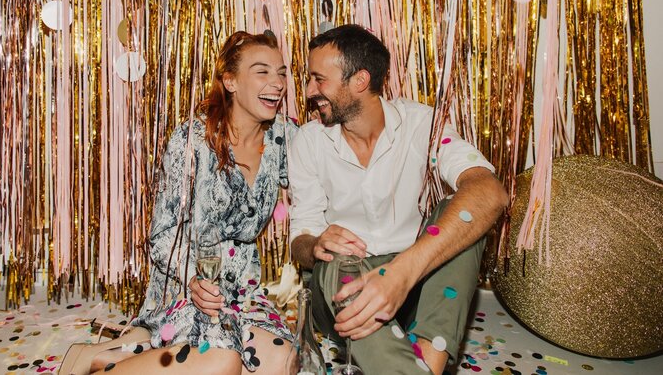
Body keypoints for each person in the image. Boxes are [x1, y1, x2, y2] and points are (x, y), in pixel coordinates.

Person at [60, 31, 297, 374]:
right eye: (262, 72)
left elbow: (329, 165)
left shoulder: (283, 138)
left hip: (243, 287)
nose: (277, 83)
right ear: (229, 81)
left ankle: (115, 355)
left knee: (283, 361)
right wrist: (194, 281)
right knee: (222, 362)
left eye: (282, 72)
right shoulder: (192, 140)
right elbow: (163, 234)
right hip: (185, 283)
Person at [289, 25, 508, 375]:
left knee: (463, 210)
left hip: (414, 291)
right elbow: (299, 240)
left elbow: (490, 192)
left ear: (359, 81)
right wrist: (315, 243)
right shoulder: (309, 142)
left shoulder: (422, 125)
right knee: (336, 260)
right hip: (340, 293)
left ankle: (425, 359)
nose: (309, 90)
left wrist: (401, 273)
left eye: (319, 79)